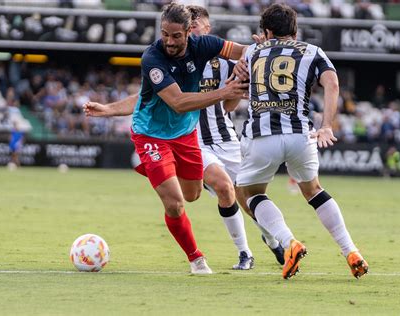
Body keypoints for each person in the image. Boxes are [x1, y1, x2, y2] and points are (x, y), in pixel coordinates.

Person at [84, 4, 285, 270]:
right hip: (151, 135)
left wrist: (262, 49)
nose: (169, 40)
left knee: (193, 195)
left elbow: (243, 52)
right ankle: (197, 259)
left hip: (186, 134)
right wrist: (225, 92)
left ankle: (164, 170)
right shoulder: (153, 58)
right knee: (176, 203)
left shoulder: (205, 46)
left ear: (190, 32)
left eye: (175, 35)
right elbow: (177, 102)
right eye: (165, 34)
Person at [233, 4, 368, 279]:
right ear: (295, 30)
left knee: (251, 194)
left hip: (262, 135)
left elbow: (235, 63)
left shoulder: (252, 51)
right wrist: (327, 125)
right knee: (314, 191)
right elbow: (332, 84)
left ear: (267, 31)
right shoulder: (312, 51)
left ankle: (289, 242)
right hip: (300, 134)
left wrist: (259, 44)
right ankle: (350, 250)